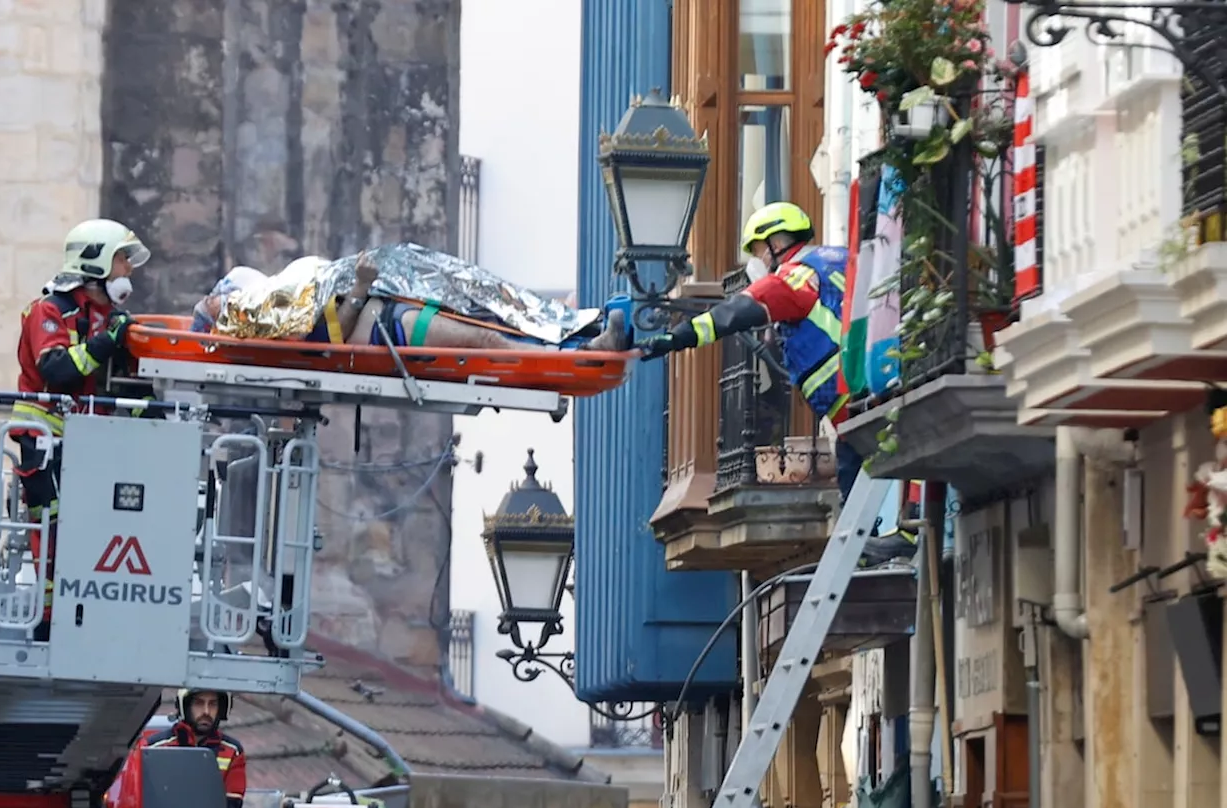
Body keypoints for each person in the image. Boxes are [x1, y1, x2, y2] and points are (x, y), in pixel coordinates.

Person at [637, 201, 916, 564]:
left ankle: (877, 543)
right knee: (871, 459)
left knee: (871, 459)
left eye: (757, 251)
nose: (757, 261)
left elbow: (734, 313)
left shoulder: (796, 275)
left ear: (777, 242)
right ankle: (884, 539)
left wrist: (677, 339)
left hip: (851, 387)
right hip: (876, 376)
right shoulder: (838, 260)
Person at [12, 218, 154, 639]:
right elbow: (56, 368)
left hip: (94, 445)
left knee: (99, 529)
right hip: (45, 440)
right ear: (96, 263)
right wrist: (106, 341)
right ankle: (48, 621)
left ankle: (91, 615)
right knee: (53, 530)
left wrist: (155, 420)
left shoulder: (114, 319)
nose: (128, 269)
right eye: (122, 260)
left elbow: (129, 385)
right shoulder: (49, 310)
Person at [192, 252, 631, 353]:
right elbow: (335, 337)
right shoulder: (268, 317)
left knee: (481, 294)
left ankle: (576, 323)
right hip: (389, 324)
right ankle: (576, 351)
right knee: (486, 337)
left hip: (396, 298)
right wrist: (361, 286)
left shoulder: (283, 289)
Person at [144, 689, 247, 808]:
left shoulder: (232, 751)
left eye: (213, 704)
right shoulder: (153, 747)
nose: (206, 711)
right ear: (184, 706)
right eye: (199, 703)